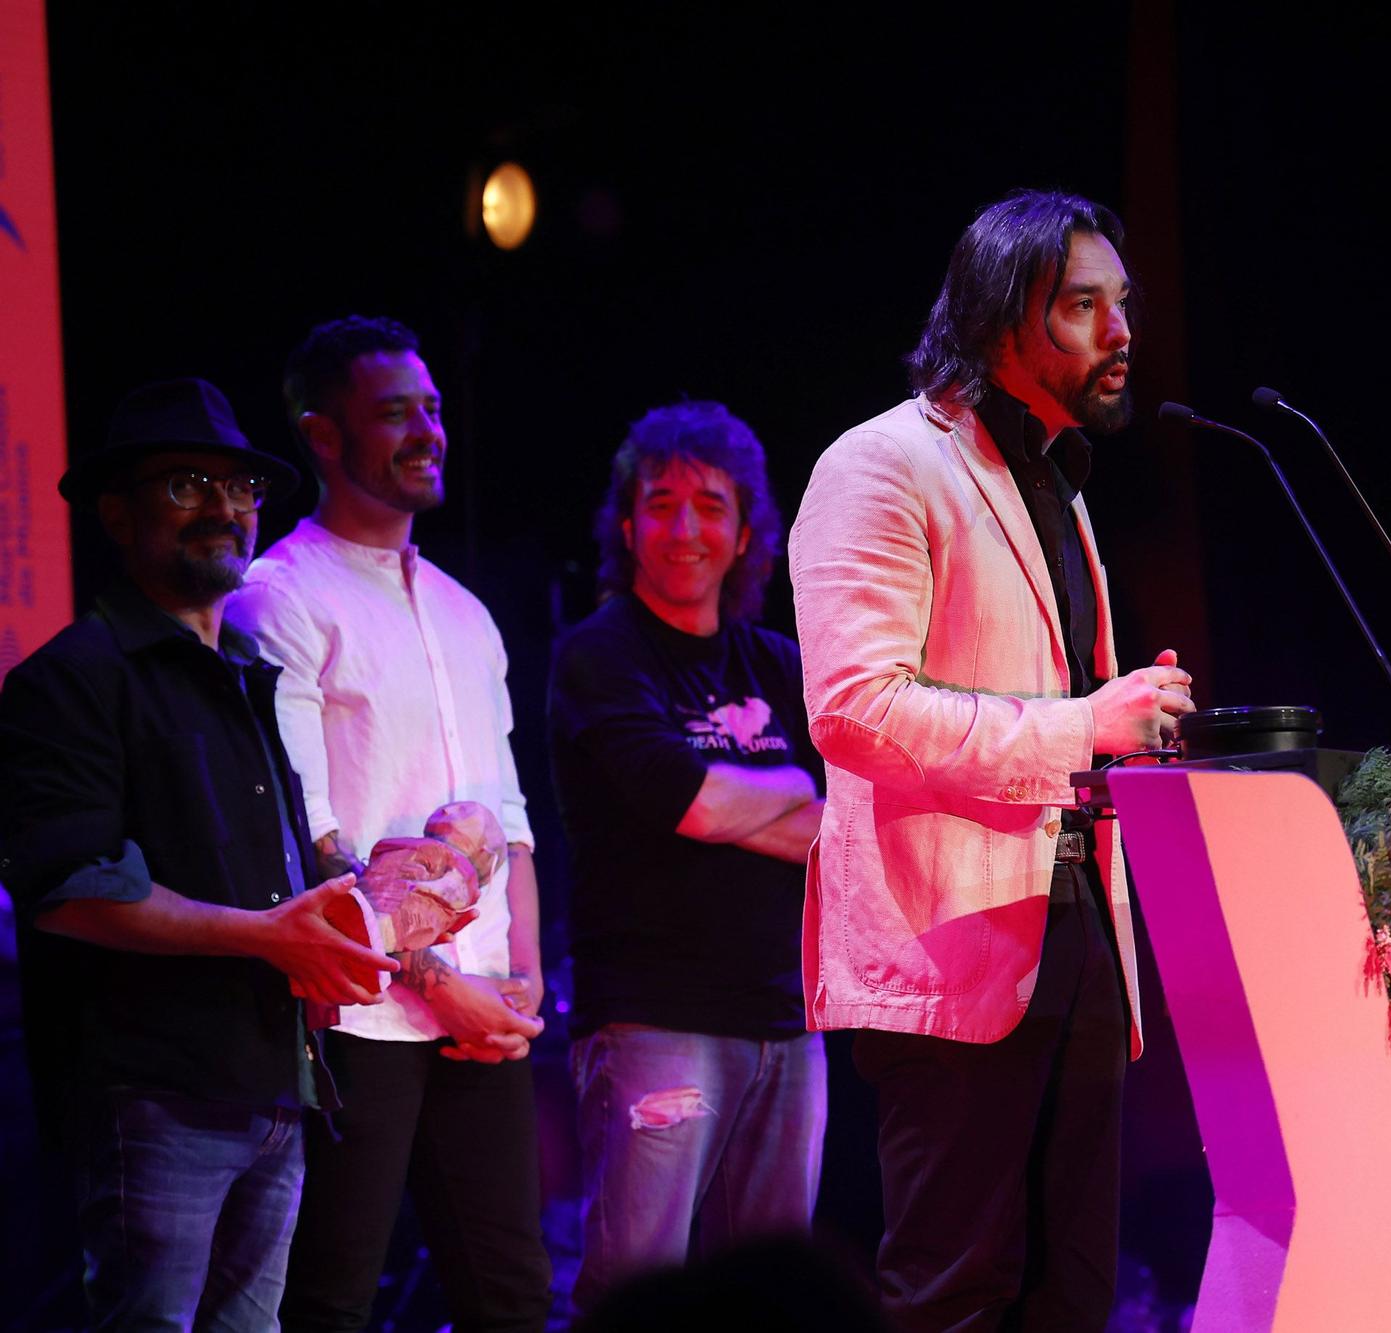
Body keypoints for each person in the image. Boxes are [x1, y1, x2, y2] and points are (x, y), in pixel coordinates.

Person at [789, 189, 1196, 1329]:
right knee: (952, 1295)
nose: (1119, 332)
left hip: (1073, 931)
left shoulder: (1057, 485)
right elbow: (855, 709)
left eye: (1122, 304)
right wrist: (1085, 725)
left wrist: (1129, 733)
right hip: (951, 945)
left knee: (1071, 1294)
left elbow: (1052, 706)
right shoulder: (878, 465)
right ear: (997, 317)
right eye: (1082, 306)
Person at [0, 377, 399, 1328]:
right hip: (154, 1092)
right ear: (116, 511)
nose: (223, 506)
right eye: (185, 484)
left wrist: (368, 907)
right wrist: (271, 936)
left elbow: (280, 880)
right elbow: (68, 887)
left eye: (241, 487)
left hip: (272, 1085)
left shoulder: (246, 677)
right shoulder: (72, 678)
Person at [227, 317, 552, 1330]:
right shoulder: (277, 597)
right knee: (329, 1298)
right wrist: (440, 984)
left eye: (433, 407)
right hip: (360, 1016)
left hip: (480, 1021)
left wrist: (525, 975)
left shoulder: (466, 612)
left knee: (510, 1300)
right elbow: (303, 834)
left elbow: (509, 816)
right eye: (394, 411)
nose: (427, 429)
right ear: (321, 436)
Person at [548, 401, 828, 1308]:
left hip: (788, 1023)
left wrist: (761, 805)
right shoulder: (600, 653)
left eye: (710, 505)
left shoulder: (779, 662)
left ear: (746, 531)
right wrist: (786, 796)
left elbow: (845, 822)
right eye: (661, 503)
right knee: (641, 1297)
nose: (684, 528)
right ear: (627, 526)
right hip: (652, 1022)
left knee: (772, 1304)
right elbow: (691, 801)